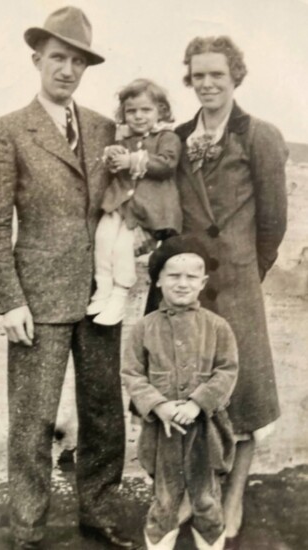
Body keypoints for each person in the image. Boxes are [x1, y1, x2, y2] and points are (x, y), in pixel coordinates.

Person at [0, 7, 134, 549]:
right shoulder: (5, 132)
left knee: (104, 416)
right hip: (37, 301)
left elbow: (120, 205)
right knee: (32, 423)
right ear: (37, 60)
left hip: (100, 297)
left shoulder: (103, 127)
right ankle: (26, 527)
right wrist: (9, 301)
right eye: (58, 58)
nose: (67, 70)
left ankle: (98, 511)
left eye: (77, 62)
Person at [174, 36, 288, 548]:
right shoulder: (175, 138)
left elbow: (273, 223)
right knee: (187, 396)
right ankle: (191, 493)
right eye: (198, 74)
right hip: (188, 290)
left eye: (217, 74)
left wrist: (246, 273)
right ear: (189, 78)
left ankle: (234, 496)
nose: (207, 83)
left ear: (235, 76)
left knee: (242, 400)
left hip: (238, 286)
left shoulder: (258, 135)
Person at [122, 235, 239, 550]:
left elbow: (227, 371)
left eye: (191, 276)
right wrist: (158, 406)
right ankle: (160, 540)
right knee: (164, 496)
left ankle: (210, 540)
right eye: (173, 275)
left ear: (203, 282)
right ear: (158, 280)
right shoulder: (143, 328)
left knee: (206, 496)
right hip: (162, 431)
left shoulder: (217, 327)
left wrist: (198, 403)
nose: (182, 283)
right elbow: (132, 373)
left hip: (206, 429)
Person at [86, 78, 182, 325]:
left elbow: (167, 163)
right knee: (103, 239)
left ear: (160, 111)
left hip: (145, 209)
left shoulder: (167, 137)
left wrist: (134, 161)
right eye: (131, 111)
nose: (138, 116)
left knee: (121, 249)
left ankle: (119, 298)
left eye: (146, 110)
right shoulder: (124, 139)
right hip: (120, 203)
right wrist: (114, 156)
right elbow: (115, 166)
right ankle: (104, 288)